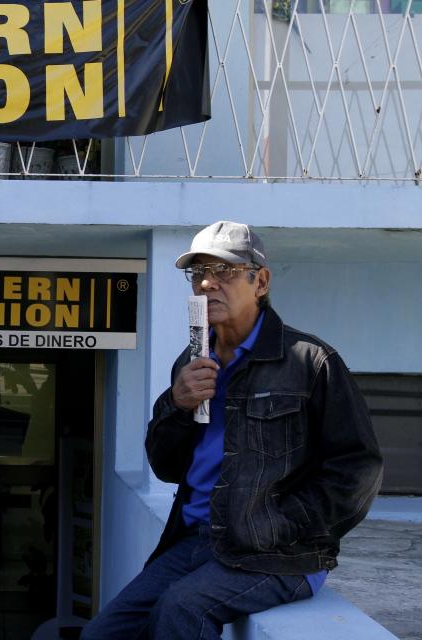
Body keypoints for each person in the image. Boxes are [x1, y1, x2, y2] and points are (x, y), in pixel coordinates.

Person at [81, 221, 383, 640]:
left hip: (278, 554)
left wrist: (281, 525)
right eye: (198, 273)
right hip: (195, 541)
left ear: (260, 281)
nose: (207, 283)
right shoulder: (191, 361)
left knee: (182, 610)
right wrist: (178, 405)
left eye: (224, 271)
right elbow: (167, 466)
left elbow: (358, 469)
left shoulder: (310, 361)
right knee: (102, 633)